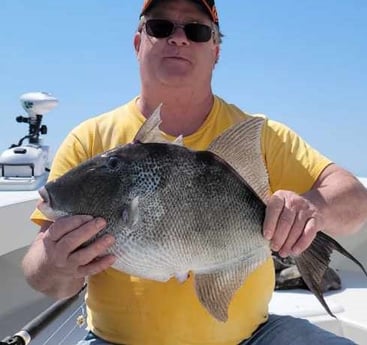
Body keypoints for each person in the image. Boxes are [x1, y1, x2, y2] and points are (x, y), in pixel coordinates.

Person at [22, 0, 367, 344]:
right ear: (138, 41)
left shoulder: (260, 135)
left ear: (216, 50)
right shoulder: (90, 138)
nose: (179, 39)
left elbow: (356, 201)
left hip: (254, 337)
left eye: (197, 30)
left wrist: (311, 211)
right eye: (161, 27)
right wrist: (56, 262)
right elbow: (43, 278)